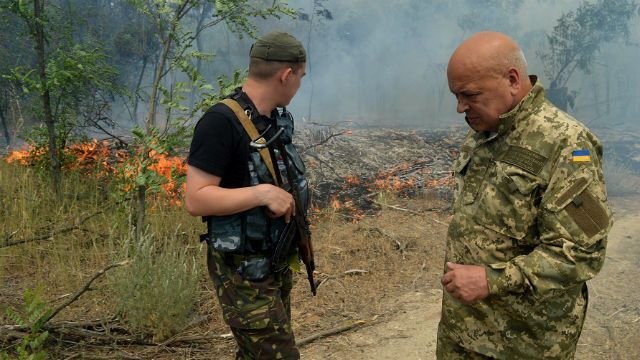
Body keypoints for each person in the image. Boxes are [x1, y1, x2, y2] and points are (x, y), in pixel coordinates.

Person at [437, 31, 613, 359]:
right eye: (456, 95)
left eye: (469, 94)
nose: (460, 106)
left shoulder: (567, 144)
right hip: (461, 332)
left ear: (513, 80)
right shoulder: (484, 130)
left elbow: (582, 253)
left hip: (524, 343)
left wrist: (492, 280)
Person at [185, 31, 309, 359]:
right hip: (244, 272)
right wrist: (262, 193)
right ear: (286, 75)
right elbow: (196, 199)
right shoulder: (220, 122)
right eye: (301, 77)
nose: (300, 85)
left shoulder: (276, 120)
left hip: (273, 263)